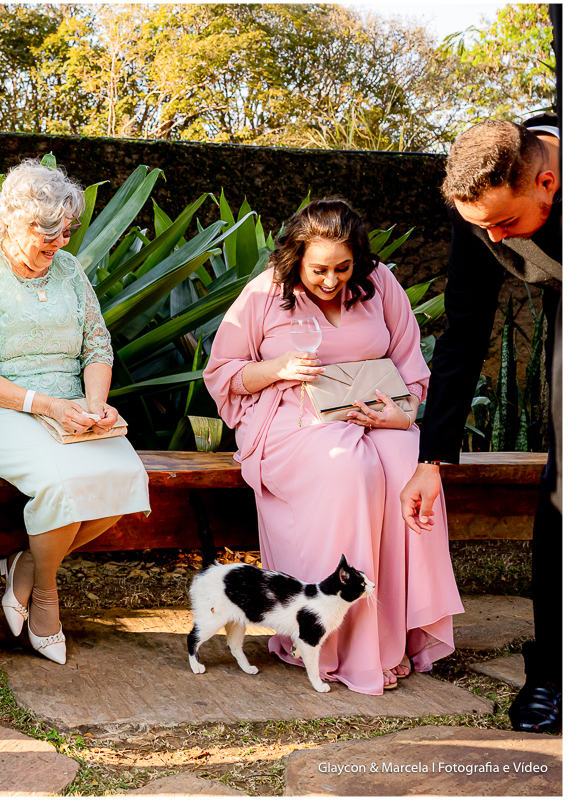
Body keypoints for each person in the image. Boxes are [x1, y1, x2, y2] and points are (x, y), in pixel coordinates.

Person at [204, 199, 462, 695]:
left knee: (409, 461)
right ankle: (335, 644)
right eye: (319, 268)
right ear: (295, 258)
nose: (330, 280)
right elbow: (223, 373)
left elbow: (412, 369)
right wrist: (278, 369)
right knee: (348, 470)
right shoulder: (265, 294)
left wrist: (401, 415)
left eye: (342, 268)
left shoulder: (380, 282)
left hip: (375, 416)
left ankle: (391, 641)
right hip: (291, 422)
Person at [0, 160, 151, 665]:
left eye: (65, 231)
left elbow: (97, 345)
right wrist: (49, 407)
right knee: (59, 484)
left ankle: (27, 568)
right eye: (45, 231)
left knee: (122, 477)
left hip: (70, 404)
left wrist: (96, 405)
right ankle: (47, 596)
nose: (57, 243)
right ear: (10, 221)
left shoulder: (70, 270)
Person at [400, 115, 561, 733]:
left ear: (548, 183)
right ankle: (552, 670)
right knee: (563, 488)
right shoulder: (482, 208)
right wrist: (430, 459)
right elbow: (464, 333)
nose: (494, 238)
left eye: (505, 225)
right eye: (481, 226)